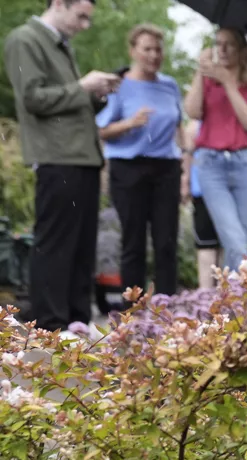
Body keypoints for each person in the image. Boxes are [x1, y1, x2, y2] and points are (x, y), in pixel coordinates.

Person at [4, 0, 121, 330]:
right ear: (58, 3)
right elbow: (31, 99)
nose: (85, 24)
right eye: (80, 16)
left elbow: (64, 102)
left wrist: (96, 94)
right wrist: (83, 86)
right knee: (56, 245)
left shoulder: (60, 44)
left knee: (82, 247)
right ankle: (50, 325)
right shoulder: (24, 39)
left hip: (82, 157)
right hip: (57, 157)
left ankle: (76, 323)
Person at [95, 23, 183, 298]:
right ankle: (133, 313)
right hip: (129, 169)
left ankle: (169, 309)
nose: (154, 55)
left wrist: (187, 167)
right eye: (147, 49)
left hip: (166, 169)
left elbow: (179, 127)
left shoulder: (170, 85)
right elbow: (101, 131)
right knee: (134, 243)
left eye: (158, 49)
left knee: (166, 242)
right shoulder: (119, 86)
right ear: (133, 50)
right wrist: (130, 123)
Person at [185, 27, 247, 273]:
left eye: (229, 44)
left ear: (243, 52)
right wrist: (201, 72)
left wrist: (229, 83)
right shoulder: (208, 83)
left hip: (246, 164)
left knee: (241, 231)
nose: (222, 49)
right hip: (212, 166)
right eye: (218, 43)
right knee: (231, 232)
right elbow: (192, 111)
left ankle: (232, 300)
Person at [181, 117, 221, 291]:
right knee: (206, 242)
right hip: (203, 190)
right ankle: (205, 292)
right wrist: (186, 181)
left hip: (230, 190)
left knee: (226, 242)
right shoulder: (195, 125)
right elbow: (187, 153)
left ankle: (224, 290)